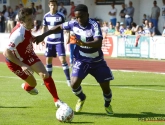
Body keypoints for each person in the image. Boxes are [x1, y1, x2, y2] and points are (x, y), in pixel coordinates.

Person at [33, 4, 114, 115]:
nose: (79, 19)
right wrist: (43, 35)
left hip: (97, 62)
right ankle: (82, 97)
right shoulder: (73, 23)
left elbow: (98, 43)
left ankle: (107, 105)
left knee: (106, 88)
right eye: (76, 17)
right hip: (82, 60)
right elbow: (59, 27)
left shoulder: (94, 25)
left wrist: (83, 43)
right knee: (74, 84)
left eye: (81, 16)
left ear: (87, 15)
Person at [3, 7, 66, 110]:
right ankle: (26, 87)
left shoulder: (26, 28)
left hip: (28, 55)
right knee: (33, 83)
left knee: (45, 75)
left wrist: (34, 38)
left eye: (33, 18)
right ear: (22, 22)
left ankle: (57, 100)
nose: (33, 22)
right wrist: (22, 65)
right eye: (29, 20)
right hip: (14, 61)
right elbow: (6, 52)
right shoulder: (18, 33)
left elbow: (27, 36)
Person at [42, 0, 71, 86]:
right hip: (50, 41)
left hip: (59, 41)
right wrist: (43, 37)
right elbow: (44, 27)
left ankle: (68, 79)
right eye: (51, 5)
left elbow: (67, 27)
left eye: (54, 5)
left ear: (56, 6)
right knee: (48, 60)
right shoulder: (46, 16)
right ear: (49, 6)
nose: (53, 7)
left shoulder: (61, 16)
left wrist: (68, 36)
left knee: (62, 59)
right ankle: (48, 79)